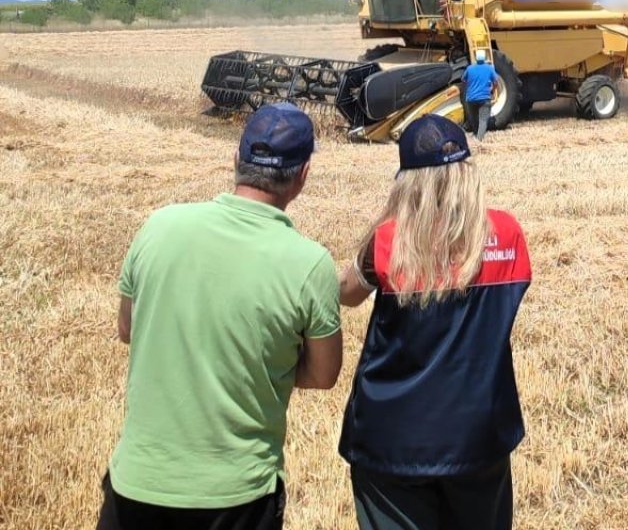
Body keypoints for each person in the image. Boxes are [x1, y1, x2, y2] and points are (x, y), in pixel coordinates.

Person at [97, 102, 343, 530]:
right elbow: (323, 375)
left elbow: (127, 328)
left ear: (235, 159)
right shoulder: (310, 264)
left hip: (136, 486)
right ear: (303, 176)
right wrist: (259, 364)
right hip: (237, 497)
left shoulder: (158, 226)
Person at [337, 114, 532, 530]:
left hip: (392, 439)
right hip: (480, 433)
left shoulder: (389, 241)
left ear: (407, 181)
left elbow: (346, 295)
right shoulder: (508, 232)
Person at [462, 49, 501, 141]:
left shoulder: (470, 68)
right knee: (483, 120)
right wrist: (492, 90)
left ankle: (476, 135)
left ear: (476, 58)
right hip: (484, 99)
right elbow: (496, 82)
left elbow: (463, 80)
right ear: (485, 58)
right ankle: (479, 139)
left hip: (471, 99)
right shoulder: (489, 68)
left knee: (473, 119)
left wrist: (471, 85)